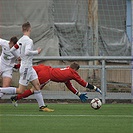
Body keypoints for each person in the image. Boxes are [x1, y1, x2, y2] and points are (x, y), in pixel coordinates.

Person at [0, 22, 53, 112]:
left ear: (22, 30)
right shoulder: (29, 41)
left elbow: (13, 49)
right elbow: (27, 52)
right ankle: (1, 90)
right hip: (26, 68)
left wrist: (19, 56)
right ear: (30, 29)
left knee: (37, 85)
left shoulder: (20, 40)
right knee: (20, 90)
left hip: (29, 67)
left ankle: (42, 106)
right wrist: (37, 52)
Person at [11, 62, 102, 107]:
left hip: (44, 68)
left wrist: (78, 94)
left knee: (30, 68)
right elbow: (84, 83)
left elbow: (69, 85)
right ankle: (16, 98)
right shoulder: (72, 73)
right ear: (75, 70)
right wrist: (95, 88)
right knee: (33, 90)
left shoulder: (66, 70)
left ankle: (15, 65)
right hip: (47, 75)